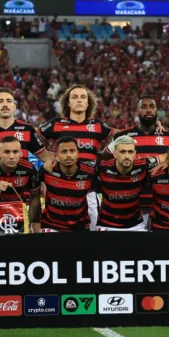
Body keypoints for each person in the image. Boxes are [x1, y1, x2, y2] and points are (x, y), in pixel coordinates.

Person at [38, 85, 116, 231]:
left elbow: (121, 136)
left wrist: (105, 155)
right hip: (60, 183)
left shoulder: (97, 125)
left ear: (88, 103)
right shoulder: (56, 123)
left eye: (83, 97)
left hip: (88, 185)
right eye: (74, 97)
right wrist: (46, 155)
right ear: (68, 102)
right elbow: (33, 138)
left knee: (91, 221)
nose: (79, 100)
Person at [107, 96, 169, 226]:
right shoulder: (123, 135)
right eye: (143, 107)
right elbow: (106, 157)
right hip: (131, 205)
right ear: (137, 111)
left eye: (152, 107)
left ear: (157, 111)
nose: (148, 110)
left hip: (160, 205)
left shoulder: (167, 136)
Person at [0, 89, 53, 166]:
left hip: (22, 182)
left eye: (8, 101)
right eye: (0, 101)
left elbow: (44, 156)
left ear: (14, 107)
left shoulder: (27, 129)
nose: (5, 104)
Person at [96, 136, 160, 231]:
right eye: (122, 152)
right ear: (115, 154)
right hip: (107, 225)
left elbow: (168, 156)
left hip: (136, 226)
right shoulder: (102, 167)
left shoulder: (143, 165)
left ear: (135, 154)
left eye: (130, 152)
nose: (127, 156)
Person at [37, 136, 97, 232]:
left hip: (79, 226)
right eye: (64, 152)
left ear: (78, 154)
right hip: (51, 226)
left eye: (72, 151)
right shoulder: (47, 170)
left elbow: (93, 202)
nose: (69, 155)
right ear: (56, 155)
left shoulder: (89, 173)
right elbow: (33, 190)